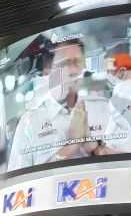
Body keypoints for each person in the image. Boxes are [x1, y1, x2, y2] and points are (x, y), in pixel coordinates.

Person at [7, 38, 88, 171]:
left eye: (78, 62)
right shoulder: (31, 122)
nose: (73, 70)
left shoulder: (103, 109)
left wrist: (98, 148)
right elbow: (19, 182)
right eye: (65, 63)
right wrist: (72, 145)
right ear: (49, 71)